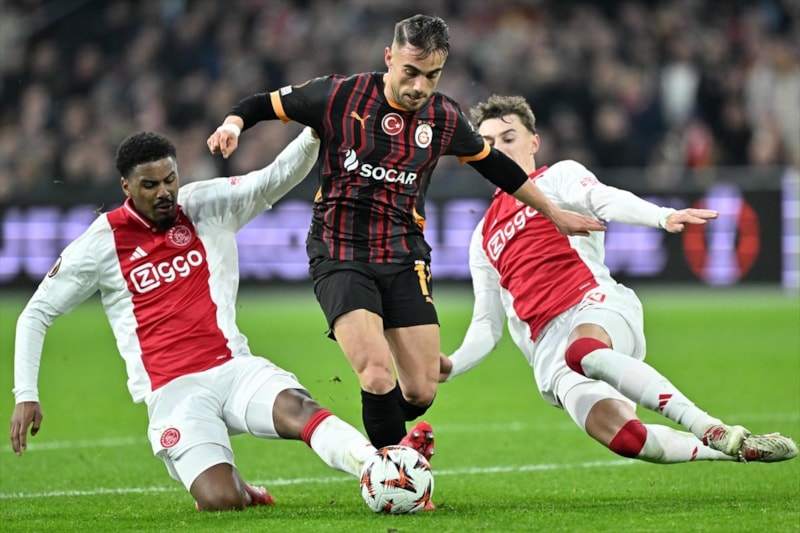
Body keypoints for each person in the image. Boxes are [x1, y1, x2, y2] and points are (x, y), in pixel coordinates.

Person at [205, 14, 606, 467]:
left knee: (421, 388)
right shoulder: (339, 95)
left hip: (403, 254)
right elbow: (261, 103)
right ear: (389, 57)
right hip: (340, 252)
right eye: (410, 72)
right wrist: (233, 125)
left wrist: (554, 213)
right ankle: (397, 476)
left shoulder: (444, 117)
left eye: (432, 75)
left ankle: (387, 438)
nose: (419, 86)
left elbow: (498, 168)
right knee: (377, 374)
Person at [9, 127, 383, 512]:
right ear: (127, 186)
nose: (164, 192)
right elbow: (36, 313)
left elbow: (273, 178)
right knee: (222, 500)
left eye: (169, 179)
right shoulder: (102, 242)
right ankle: (239, 488)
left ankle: (377, 468)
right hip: (173, 391)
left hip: (234, 369)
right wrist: (26, 395)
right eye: (150, 185)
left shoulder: (205, 204)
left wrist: (314, 130)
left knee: (299, 408)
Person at [438, 94, 797, 464]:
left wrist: (661, 216)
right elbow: (487, 323)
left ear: (534, 142)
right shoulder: (481, 236)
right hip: (547, 350)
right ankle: (735, 450)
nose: (498, 149)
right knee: (630, 440)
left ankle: (711, 428)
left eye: (509, 138)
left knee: (582, 352)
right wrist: (452, 365)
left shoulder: (556, 178)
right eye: (488, 143)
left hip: (592, 306)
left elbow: (602, 198)